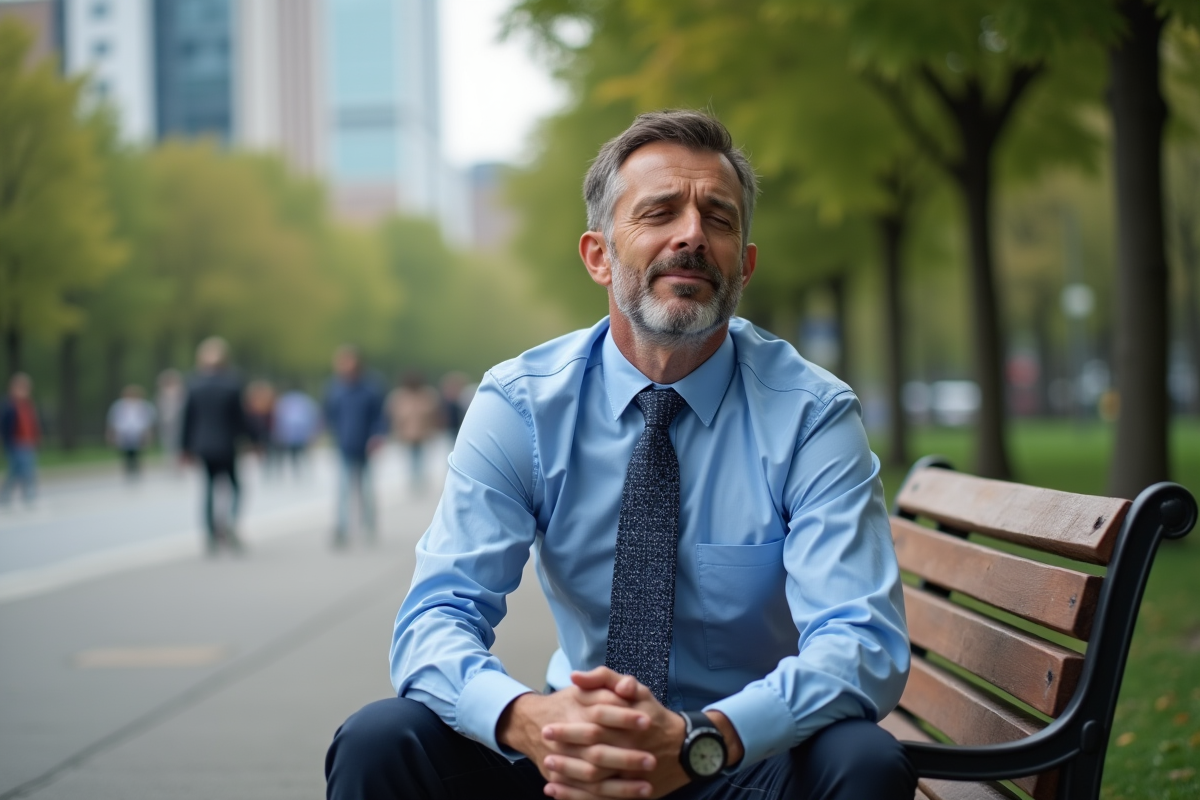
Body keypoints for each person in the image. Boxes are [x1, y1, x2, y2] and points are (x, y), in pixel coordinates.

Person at [325, 111, 914, 800]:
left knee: (863, 761)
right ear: (599, 256)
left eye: (719, 220)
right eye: (659, 212)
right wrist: (529, 720)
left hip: (738, 756)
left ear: (744, 267)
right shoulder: (521, 406)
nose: (692, 234)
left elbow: (862, 639)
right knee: (380, 741)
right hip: (565, 755)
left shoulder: (812, 415)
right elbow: (435, 619)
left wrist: (707, 739)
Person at [181, 337, 248, 554]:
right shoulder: (232, 383)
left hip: (202, 444)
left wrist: (185, 448)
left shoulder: (194, 384)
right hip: (227, 443)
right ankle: (228, 523)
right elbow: (241, 418)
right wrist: (254, 440)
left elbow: (188, 418)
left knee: (208, 488)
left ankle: (210, 534)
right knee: (235, 487)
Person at [325, 346, 386, 546]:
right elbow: (329, 413)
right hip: (344, 444)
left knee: (366, 489)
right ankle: (341, 528)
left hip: (365, 445)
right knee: (343, 489)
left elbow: (379, 415)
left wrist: (377, 435)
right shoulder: (335, 388)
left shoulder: (370, 387)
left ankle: (369, 525)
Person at [386, 371, 442, 490]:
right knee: (412, 456)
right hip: (407, 433)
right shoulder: (400, 396)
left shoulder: (426, 394)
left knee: (420, 456)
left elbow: (433, 414)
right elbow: (394, 415)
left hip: (423, 432)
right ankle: (415, 478)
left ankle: (419, 478)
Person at [1, 373, 41, 506]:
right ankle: (26, 493)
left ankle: (22, 493)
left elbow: (33, 424)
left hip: (28, 442)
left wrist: (36, 438)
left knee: (23, 469)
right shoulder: (9, 406)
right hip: (15, 442)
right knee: (21, 469)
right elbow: (5, 426)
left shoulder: (28, 405)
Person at [107, 384, 156, 479]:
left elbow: (148, 421)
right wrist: (111, 434)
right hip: (124, 434)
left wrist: (149, 434)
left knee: (138, 453)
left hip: (139, 433)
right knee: (126, 454)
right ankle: (128, 472)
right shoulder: (118, 406)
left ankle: (137, 472)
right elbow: (113, 421)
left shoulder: (143, 406)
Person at [272, 386, 321, 476]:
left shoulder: (285, 400)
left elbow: (279, 418)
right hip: (301, 434)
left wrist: (278, 433)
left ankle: (296, 471)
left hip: (289, 434)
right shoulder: (306, 400)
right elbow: (314, 417)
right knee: (301, 454)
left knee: (293, 454)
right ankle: (303, 471)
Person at [156, 369, 187, 471]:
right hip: (167, 424)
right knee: (169, 444)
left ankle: (180, 462)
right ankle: (172, 463)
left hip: (180, 422)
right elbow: (160, 410)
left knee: (180, 443)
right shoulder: (161, 395)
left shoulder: (182, 393)